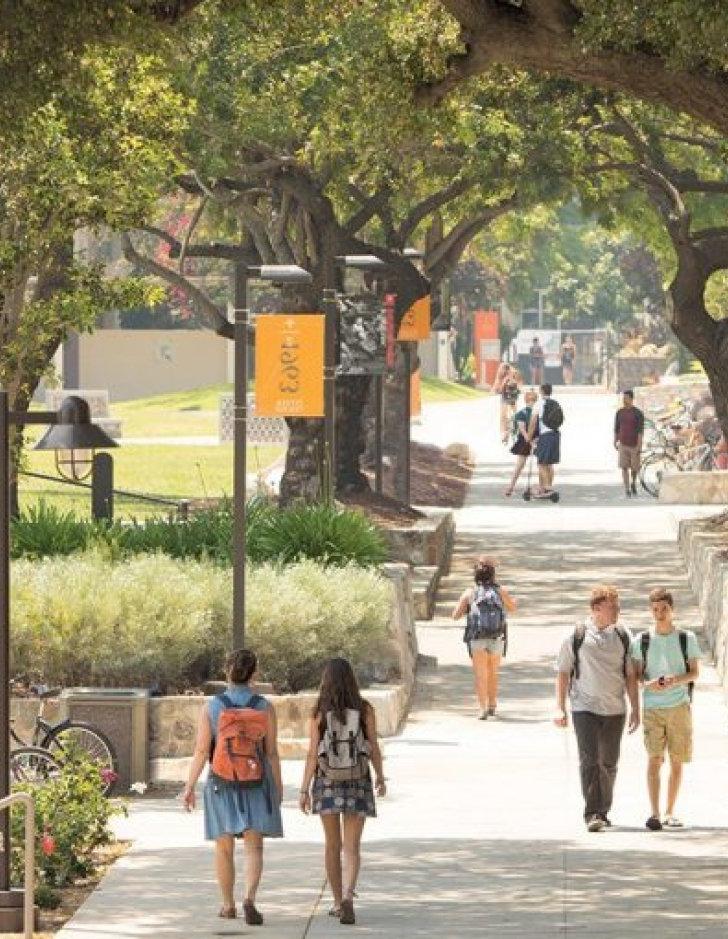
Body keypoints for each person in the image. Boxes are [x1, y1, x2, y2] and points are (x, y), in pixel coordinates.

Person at [182, 649, 283, 924]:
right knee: (254, 847)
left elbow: (202, 751)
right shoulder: (264, 706)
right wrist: (277, 786)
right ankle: (249, 898)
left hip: (221, 781)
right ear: (255, 673)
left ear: (227, 672)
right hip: (256, 780)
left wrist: (189, 786)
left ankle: (228, 905)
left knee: (224, 847)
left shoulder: (213, 706)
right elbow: (271, 752)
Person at [299, 658, 386, 926]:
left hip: (327, 782)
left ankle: (337, 902)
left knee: (332, 845)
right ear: (351, 679)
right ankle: (349, 895)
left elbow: (313, 754)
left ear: (326, 681)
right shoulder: (365, 709)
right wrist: (380, 776)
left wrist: (304, 790)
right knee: (352, 846)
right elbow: (373, 746)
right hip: (357, 780)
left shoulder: (319, 712)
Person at [555, 585, 640, 832]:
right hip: (584, 707)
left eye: (617, 605)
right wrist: (559, 708)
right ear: (596, 609)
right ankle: (592, 812)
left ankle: (603, 810)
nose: (617, 610)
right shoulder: (576, 635)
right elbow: (562, 672)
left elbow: (631, 675)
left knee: (609, 762)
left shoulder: (624, 635)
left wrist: (635, 707)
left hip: (614, 708)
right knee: (590, 760)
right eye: (612, 606)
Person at [631, 587, 700, 831]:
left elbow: (695, 672)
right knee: (654, 759)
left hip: (679, 705)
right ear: (651, 610)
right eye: (655, 609)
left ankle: (671, 811)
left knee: (677, 760)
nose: (660, 614)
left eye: (664, 609)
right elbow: (636, 676)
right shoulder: (641, 640)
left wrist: (675, 680)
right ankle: (654, 813)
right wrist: (647, 683)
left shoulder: (686, 638)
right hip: (653, 707)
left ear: (672, 609)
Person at [452, 556, 518, 719]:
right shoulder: (499, 591)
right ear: (493, 575)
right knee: (493, 673)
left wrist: (467, 609)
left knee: (480, 674)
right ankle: (492, 705)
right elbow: (513, 608)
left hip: (477, 637)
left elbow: (455, 615)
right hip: (496, 636)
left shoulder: (470, 593)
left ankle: (482, 709)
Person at [527, 383, 563, 497]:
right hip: (555, 435)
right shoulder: (556, 403)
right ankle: (546, 488)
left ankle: (547, 488)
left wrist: (529, 437)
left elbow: (533, 422)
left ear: (541, 391)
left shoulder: (539, 404)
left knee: (542, 463)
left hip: (545, 436)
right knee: (549, 464)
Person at [505, 388, 537, 496]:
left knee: (521, 465)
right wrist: (531, 441)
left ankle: (511, 487)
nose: (532, 402)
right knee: (521, 465)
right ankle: (511, 486)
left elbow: (522, 429)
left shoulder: (533, 413)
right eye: (531, 399)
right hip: (528, 441)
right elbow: (522, 429)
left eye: (533, 400)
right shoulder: (525, 413)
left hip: (530, 440)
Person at [614, 390, 645, 497]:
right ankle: (627, 489)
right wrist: (615, 440)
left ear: (631, 399)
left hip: (634, 443)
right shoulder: (619, 412)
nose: (624, 400)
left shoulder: (638, 413)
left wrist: (639, 446)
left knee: (634, 468)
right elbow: (617, 428)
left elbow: (641, 431)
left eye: (626, 398)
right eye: (623, 398)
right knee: (624, 467)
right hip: (623, 443)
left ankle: (633, 482)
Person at [493, 362, 521, 443]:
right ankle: (505, 432)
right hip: (508, 396)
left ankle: (511, 430)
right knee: (505, 414)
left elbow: (518, 384)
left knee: (509, 415)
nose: (504, 372)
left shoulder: (513, 373)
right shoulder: (501, 375)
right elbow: (497, 385)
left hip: (511, 396)